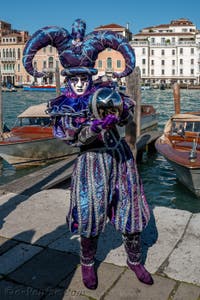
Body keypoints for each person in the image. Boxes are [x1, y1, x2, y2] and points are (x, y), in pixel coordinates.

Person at [22, 18, 154, 290]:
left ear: (89, 75)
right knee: (89, 213)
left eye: (84, 78)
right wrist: (93, 128)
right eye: (75, 78)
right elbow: (72, 138)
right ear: (68, 78)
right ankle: (87, 262)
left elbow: (126, 113)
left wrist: (118, 112)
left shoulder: (104, 91)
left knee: (130, 210)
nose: (80, 84)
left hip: (119, 159)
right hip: (90, 162)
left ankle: (134, 260)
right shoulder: (64, 107)